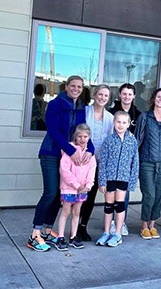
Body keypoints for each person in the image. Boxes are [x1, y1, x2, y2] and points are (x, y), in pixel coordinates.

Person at [27, 75, 94, 252]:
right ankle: (35, 234)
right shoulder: (55, 104)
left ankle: (48, 230)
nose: (76, 89)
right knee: (50, 193)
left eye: (80, 87)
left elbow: (83, 132)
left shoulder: (81, 107)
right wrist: (72, 151)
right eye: (73, 86)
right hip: (52, 153)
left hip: (69, 156)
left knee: (59, 195)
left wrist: (90, 150)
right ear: (66, 87)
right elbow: (53, 131)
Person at [135, 87, 161, 240]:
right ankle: (144, 225)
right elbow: (138, 139)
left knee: (159, 195)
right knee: (149, 194)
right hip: (147, 161)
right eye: (158, 97)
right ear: (153, 99)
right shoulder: (145, 117)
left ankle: (152, 225)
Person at [96, 111, 139, 247]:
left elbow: (135, 162)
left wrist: (132, 181)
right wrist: (102, 181)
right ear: (114, 123)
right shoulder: (109, 140)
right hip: (109, 177)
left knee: (120, 205)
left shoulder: (132, 141)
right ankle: (106, 232)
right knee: (109, 206)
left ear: (128, 124)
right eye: (118, 122)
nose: (120, 125)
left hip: (124, 177)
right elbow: (102, 162)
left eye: (124, 122)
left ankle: (118, 233)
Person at [78, 84, 114, 242]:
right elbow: (77, 134)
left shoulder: (111, 118)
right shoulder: (85, 112)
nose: (103, 98)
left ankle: (82, 226)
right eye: (100, 94)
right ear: (94, 94)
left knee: (90, 196)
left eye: (106, 96)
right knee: (78, 194)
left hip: (99, 162)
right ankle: (73, 226)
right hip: (81, 160)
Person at [107, 83, 142, 235]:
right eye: (124, 94)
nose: (127, 97)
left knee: (124, 193)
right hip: (112, 159)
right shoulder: (111, 113)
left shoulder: (139, 115)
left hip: (127, 160)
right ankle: (109, 223)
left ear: (134, 96)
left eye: (130, 94)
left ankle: (121, 222)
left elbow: (139, 137)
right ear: (119, 95)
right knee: (110, 193)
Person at [56, 124, 97, 251]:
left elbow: (92, 170)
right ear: (75, 136)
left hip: (83, 189)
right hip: (69, 188)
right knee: (66, 211)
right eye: (79, 136)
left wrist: (89, 185)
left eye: (85, 136)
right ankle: (60, 237)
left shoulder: (90, 154)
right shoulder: (70, 151)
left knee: (77, 212)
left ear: (89, 137)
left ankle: (73, 236)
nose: (82, 139)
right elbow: (64, 170)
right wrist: (76, 185)